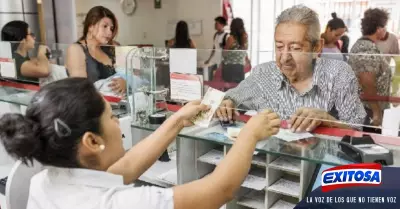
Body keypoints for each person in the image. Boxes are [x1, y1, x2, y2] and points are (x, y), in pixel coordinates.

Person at [0, 78, 281, 209]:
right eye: (111, 117)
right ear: (92, 141)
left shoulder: (45, 182)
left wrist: (176, 121)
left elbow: (128, 167)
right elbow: (219, 190)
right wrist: (250, 135)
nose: (117, 124)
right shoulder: (123, 204)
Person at [216, 5, 366, 133]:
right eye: (279, 47)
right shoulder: (263, 73)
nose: (284, 57)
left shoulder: (339, 74)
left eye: (295, 48)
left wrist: (327, 120)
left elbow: (356, 129)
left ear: (317, 47)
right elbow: (230, 98)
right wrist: (226, 104)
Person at [66, 6, 126, 94]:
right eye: (105, 26)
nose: (109, 32)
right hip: (92, 104)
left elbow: (130, 74)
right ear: (91, 27)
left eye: (111, 28)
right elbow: (80, 90)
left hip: (118, 101)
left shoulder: (114, 46)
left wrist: (125, 83)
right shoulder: (76, 49)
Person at [348, 8, 391, 130]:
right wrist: (376, 112)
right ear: (378, 29)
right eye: (384, 26)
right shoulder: (366, 48)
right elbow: (367, 81)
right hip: (368, 110)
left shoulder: (365, 46)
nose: (385, 30)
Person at [222, 18, 248, 83]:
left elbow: (224, 53)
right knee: (238, 89)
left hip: (230, 67)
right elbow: (244, 51)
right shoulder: (245, 37)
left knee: (229, 90)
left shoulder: (231, 38)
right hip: (240, 67)